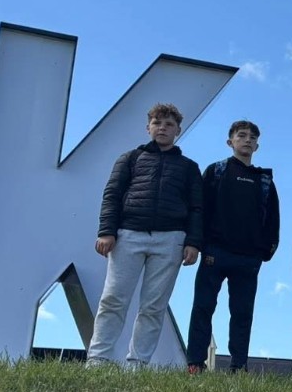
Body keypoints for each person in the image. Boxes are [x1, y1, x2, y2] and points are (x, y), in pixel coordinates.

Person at [87, 103, 204, 368]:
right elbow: (112, 195)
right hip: (128, 235)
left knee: (154, 306)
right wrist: (107, 231)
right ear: (148, 127)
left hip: (171, 240)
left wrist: (193, 242)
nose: (162, 128)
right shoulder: (129, 158)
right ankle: (98, 359)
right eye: (157, 123)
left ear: (178, 130)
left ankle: (138, 364)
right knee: (113, 298)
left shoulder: (189, 167)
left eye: (169, 124)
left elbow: (197, 208)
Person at [186, 119, 280, 374]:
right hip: (215, 252)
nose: (247, 140)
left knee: (242, 313)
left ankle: (238, 366)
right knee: (203, 307)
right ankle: (195, 363)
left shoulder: (264, 181)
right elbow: (200, 208)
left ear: (257, 146)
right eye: (242, 135)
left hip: (249, 258)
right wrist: (196, 242)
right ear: (230, 142)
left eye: (252, 137)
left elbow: (273, 218)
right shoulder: (216, 171)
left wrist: (266, 251)